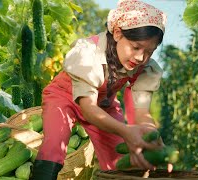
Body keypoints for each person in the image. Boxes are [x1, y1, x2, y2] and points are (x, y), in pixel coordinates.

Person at [31, 0, 167, 179]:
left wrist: (151, 136)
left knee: (119, 156)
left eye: (149, 51)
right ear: (117, 33)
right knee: (55, 143)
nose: (141, 57)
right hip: (64, 98)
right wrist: (126, 131)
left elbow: (141, 111)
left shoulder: (144, 68)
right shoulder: (88, 53)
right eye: (136, 47)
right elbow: (88, 108)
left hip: (103, 105)